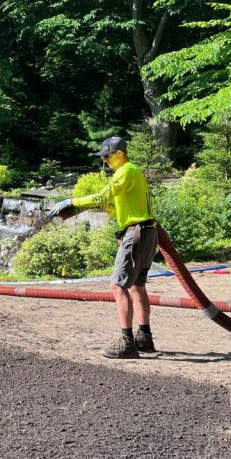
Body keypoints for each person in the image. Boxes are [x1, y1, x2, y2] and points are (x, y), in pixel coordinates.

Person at [48, 136, 158, 359]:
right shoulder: (133, 173)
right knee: (137, 286)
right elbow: (125, 208)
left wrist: (71, 201)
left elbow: (103, 195)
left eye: (107, 157)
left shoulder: (125, 171)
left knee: (117, 287)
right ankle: (144, 338)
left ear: (119, 154)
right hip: (148, 232)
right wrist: (108, 210)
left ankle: (127, 343)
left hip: (136, 234)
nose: (105, 161)